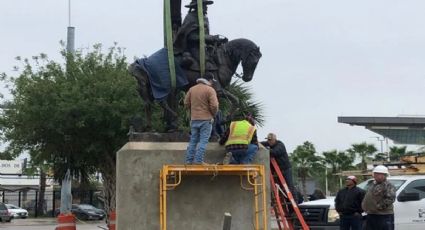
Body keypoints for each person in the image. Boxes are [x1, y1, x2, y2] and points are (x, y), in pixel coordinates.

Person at [174, 0, 227, 69]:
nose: (206, 7)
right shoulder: (190, 17)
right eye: (204, 5)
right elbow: (189, 36)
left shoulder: (205, 18)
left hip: (205, 47)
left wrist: (216, 39)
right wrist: (209, 38)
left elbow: (206, 35)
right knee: (207, 63)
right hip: (193, 47)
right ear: (198, 6)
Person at [184, 72, 219, 164]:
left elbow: (186, 103)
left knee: (193, 141)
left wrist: (193, 110)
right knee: (203, 141)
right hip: (206, 120)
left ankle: (189, 160)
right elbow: (214, 105)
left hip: (194, 119)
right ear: (210, 80)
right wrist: (213, 114)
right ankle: (198, 161)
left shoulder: (192, 89)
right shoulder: (210, 90)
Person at [362, 165, 396, 230]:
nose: (377, 176)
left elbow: (390, 199)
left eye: (379, 174)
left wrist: (378, 207)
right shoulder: (373, 185)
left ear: (385, 175)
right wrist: (364, 206)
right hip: (371, 214)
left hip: (383, 216)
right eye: (376, 174)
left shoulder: (388, 185)